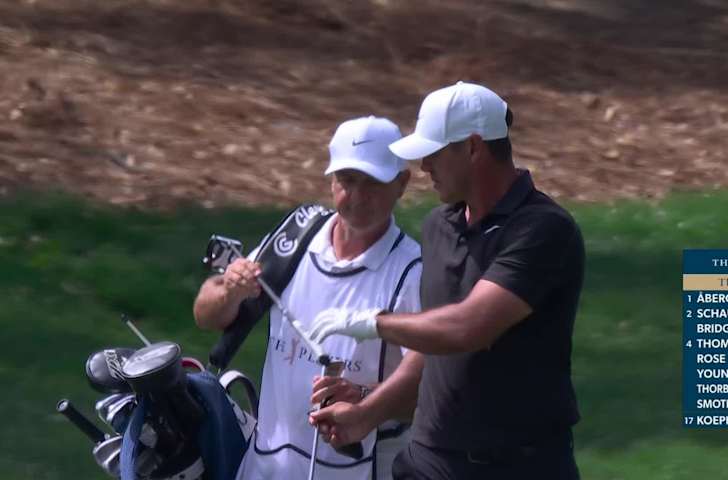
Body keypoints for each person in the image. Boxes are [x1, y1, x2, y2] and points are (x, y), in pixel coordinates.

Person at [308, 82, 585, 479]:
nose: (424, 167)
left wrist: (374, 323)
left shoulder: (542, 230)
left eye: (433, 153)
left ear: (473, 147)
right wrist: (367, 412)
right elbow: (432, 342)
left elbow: (469, 328)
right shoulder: (440, 226)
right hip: (428, 462)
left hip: (517, 466)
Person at [193, 115, 424, 480]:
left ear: (402, 183)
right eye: (348, 181)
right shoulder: (298, 235)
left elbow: (433, 389)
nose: (359, 197)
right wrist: (228, 291)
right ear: (332, 182)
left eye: (373, 183)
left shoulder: (412, 271)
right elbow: (206, 315)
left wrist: (364, 398)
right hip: (265, 465)